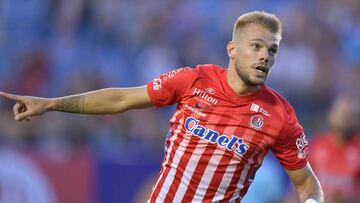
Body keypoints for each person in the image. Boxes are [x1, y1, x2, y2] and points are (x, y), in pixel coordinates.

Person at [0, 11, 323, 203]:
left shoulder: (279, 115)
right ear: (232, 49)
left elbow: (306, 182)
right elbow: (121, 99)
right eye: (256, 46)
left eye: (273, 50)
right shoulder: (194, 80)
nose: (265, 56)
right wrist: (51, 104)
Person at [309, 95, 360, 203]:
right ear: (331, 116)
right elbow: (301, 183)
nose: (342, 122)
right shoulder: (317, 144)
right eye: (340, 115)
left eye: (347, 117)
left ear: (355, 121)